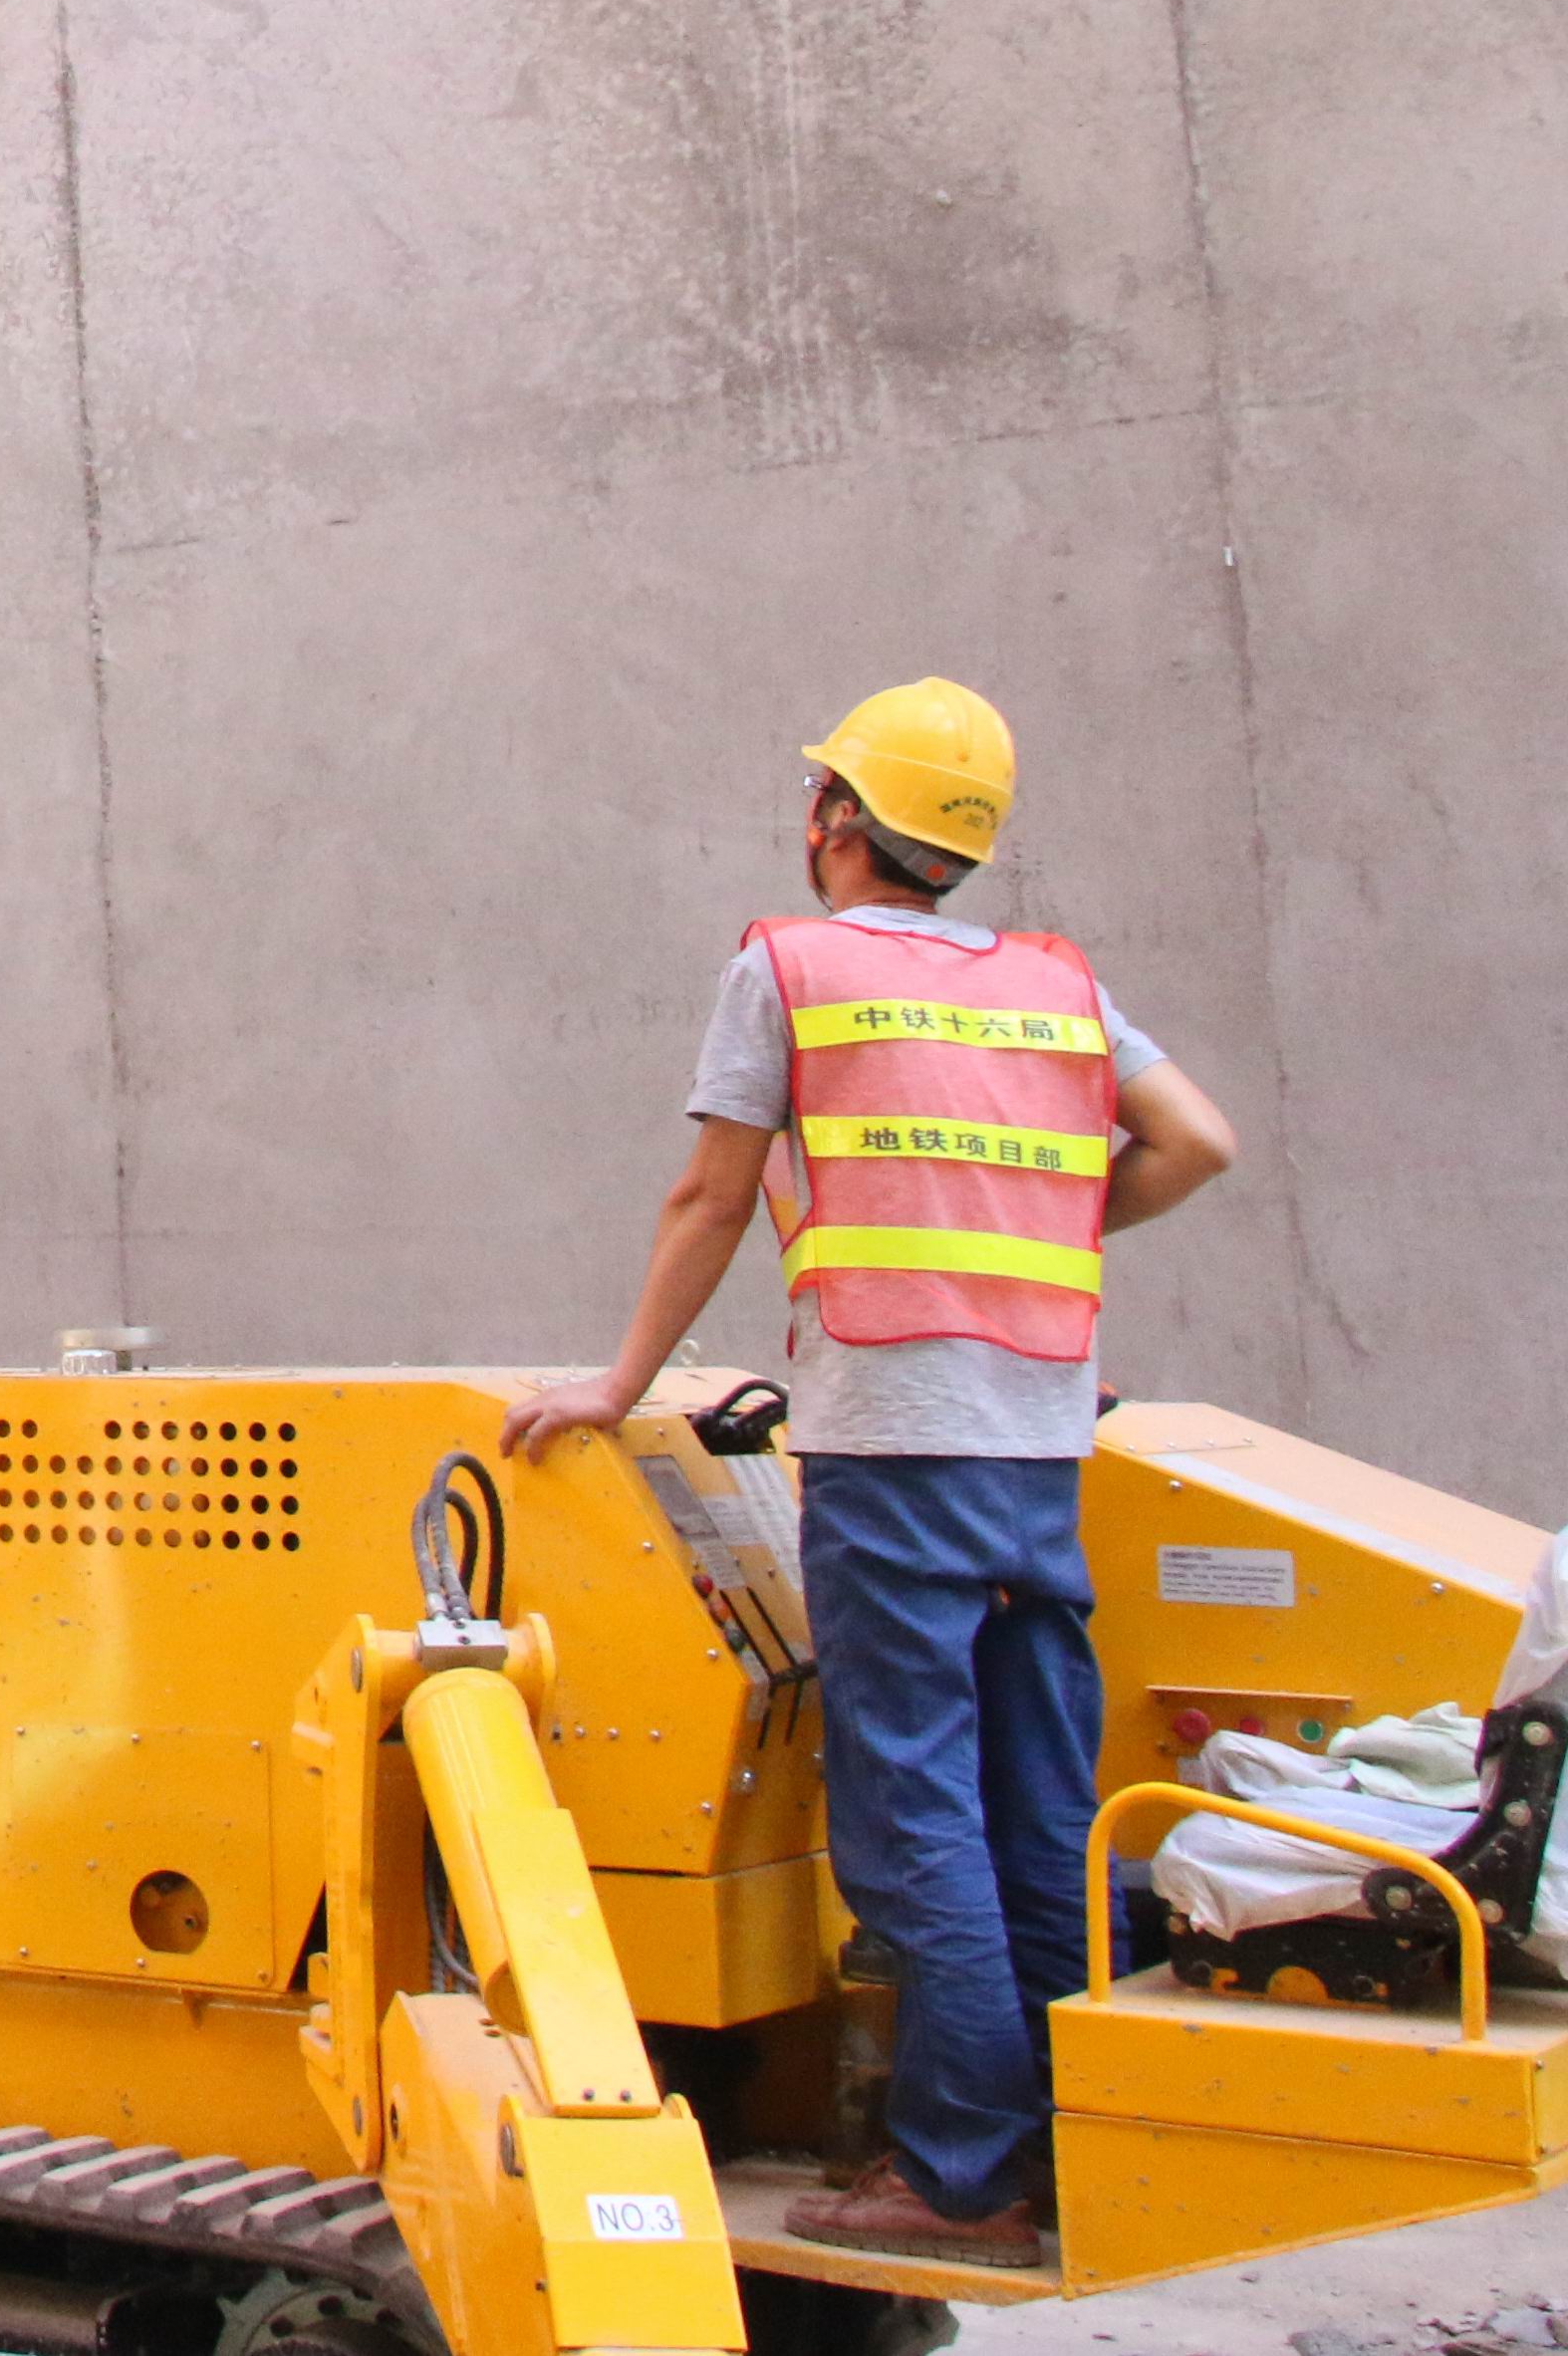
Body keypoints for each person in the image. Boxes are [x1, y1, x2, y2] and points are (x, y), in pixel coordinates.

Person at [500, 678, 1239, 2267]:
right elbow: (1197, 1142)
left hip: (895, 1446)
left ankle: (959, 2175)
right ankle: (1066, 2140)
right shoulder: (1054, 986)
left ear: (839, 815)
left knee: (912, 1810)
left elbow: (711, 1197)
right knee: (1041, 1804)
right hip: (1038, 1443)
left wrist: (616, 1384)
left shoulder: (791, 966)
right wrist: (1027, 1230)